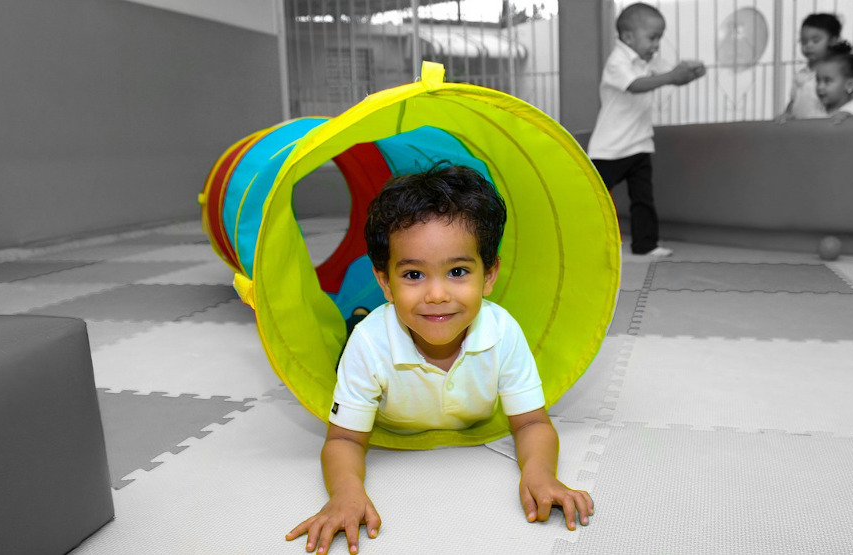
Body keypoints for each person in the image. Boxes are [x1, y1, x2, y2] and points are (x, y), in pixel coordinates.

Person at [286, 164, 593, 554]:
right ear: (386, 282)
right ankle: (359, 314)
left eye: (458, 271)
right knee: (358, 329)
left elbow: (532, 421)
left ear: (490, 275)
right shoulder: (370, 345)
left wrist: (540, 474)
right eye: (413, 275)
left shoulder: (502, 331)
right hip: (372, 340)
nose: (436, 295)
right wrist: (346, 493)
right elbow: (344, 437)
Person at [588, 2, 705, 258]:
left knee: (643, 199)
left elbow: (672, 76)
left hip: (640, 143)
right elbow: (636, 85)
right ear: (628, 37)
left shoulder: (647, 60)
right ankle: (590, 242)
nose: (656, 45)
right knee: (595, 199)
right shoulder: (617, 61)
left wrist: (691, 73)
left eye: (659, 38)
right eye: (652, 38)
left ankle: (645, 244)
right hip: (610, 147)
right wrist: (673, 75)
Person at [777, 13, 845, 122]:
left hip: (826, 130)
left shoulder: (838, 73)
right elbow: (794, 101)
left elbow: (849, 100)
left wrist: (846, 115)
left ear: (833, 40)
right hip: (801, 132)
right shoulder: (801, 74)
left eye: (815, 41)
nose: (808, 46)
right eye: (803, 41)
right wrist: (787, 114)